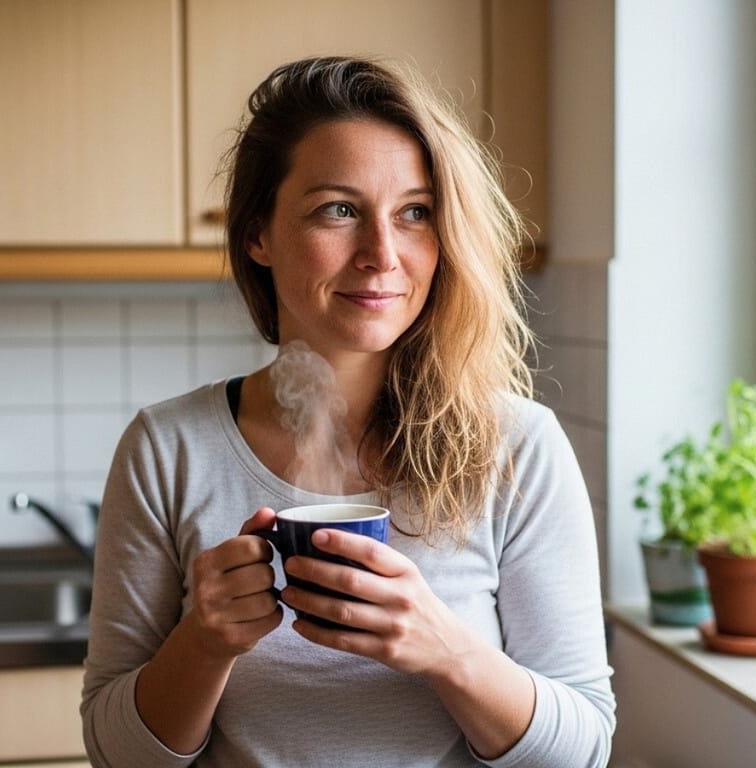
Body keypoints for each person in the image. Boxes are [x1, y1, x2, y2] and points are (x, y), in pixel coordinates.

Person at [81, 56, 615, 767]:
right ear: (258, 234)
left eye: (415, 214)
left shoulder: (518, 448)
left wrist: (446, 649)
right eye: (338, 209)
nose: (382, 254)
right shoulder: (167, 450)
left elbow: (582, 752)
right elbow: (117, 757)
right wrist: (202, 643)